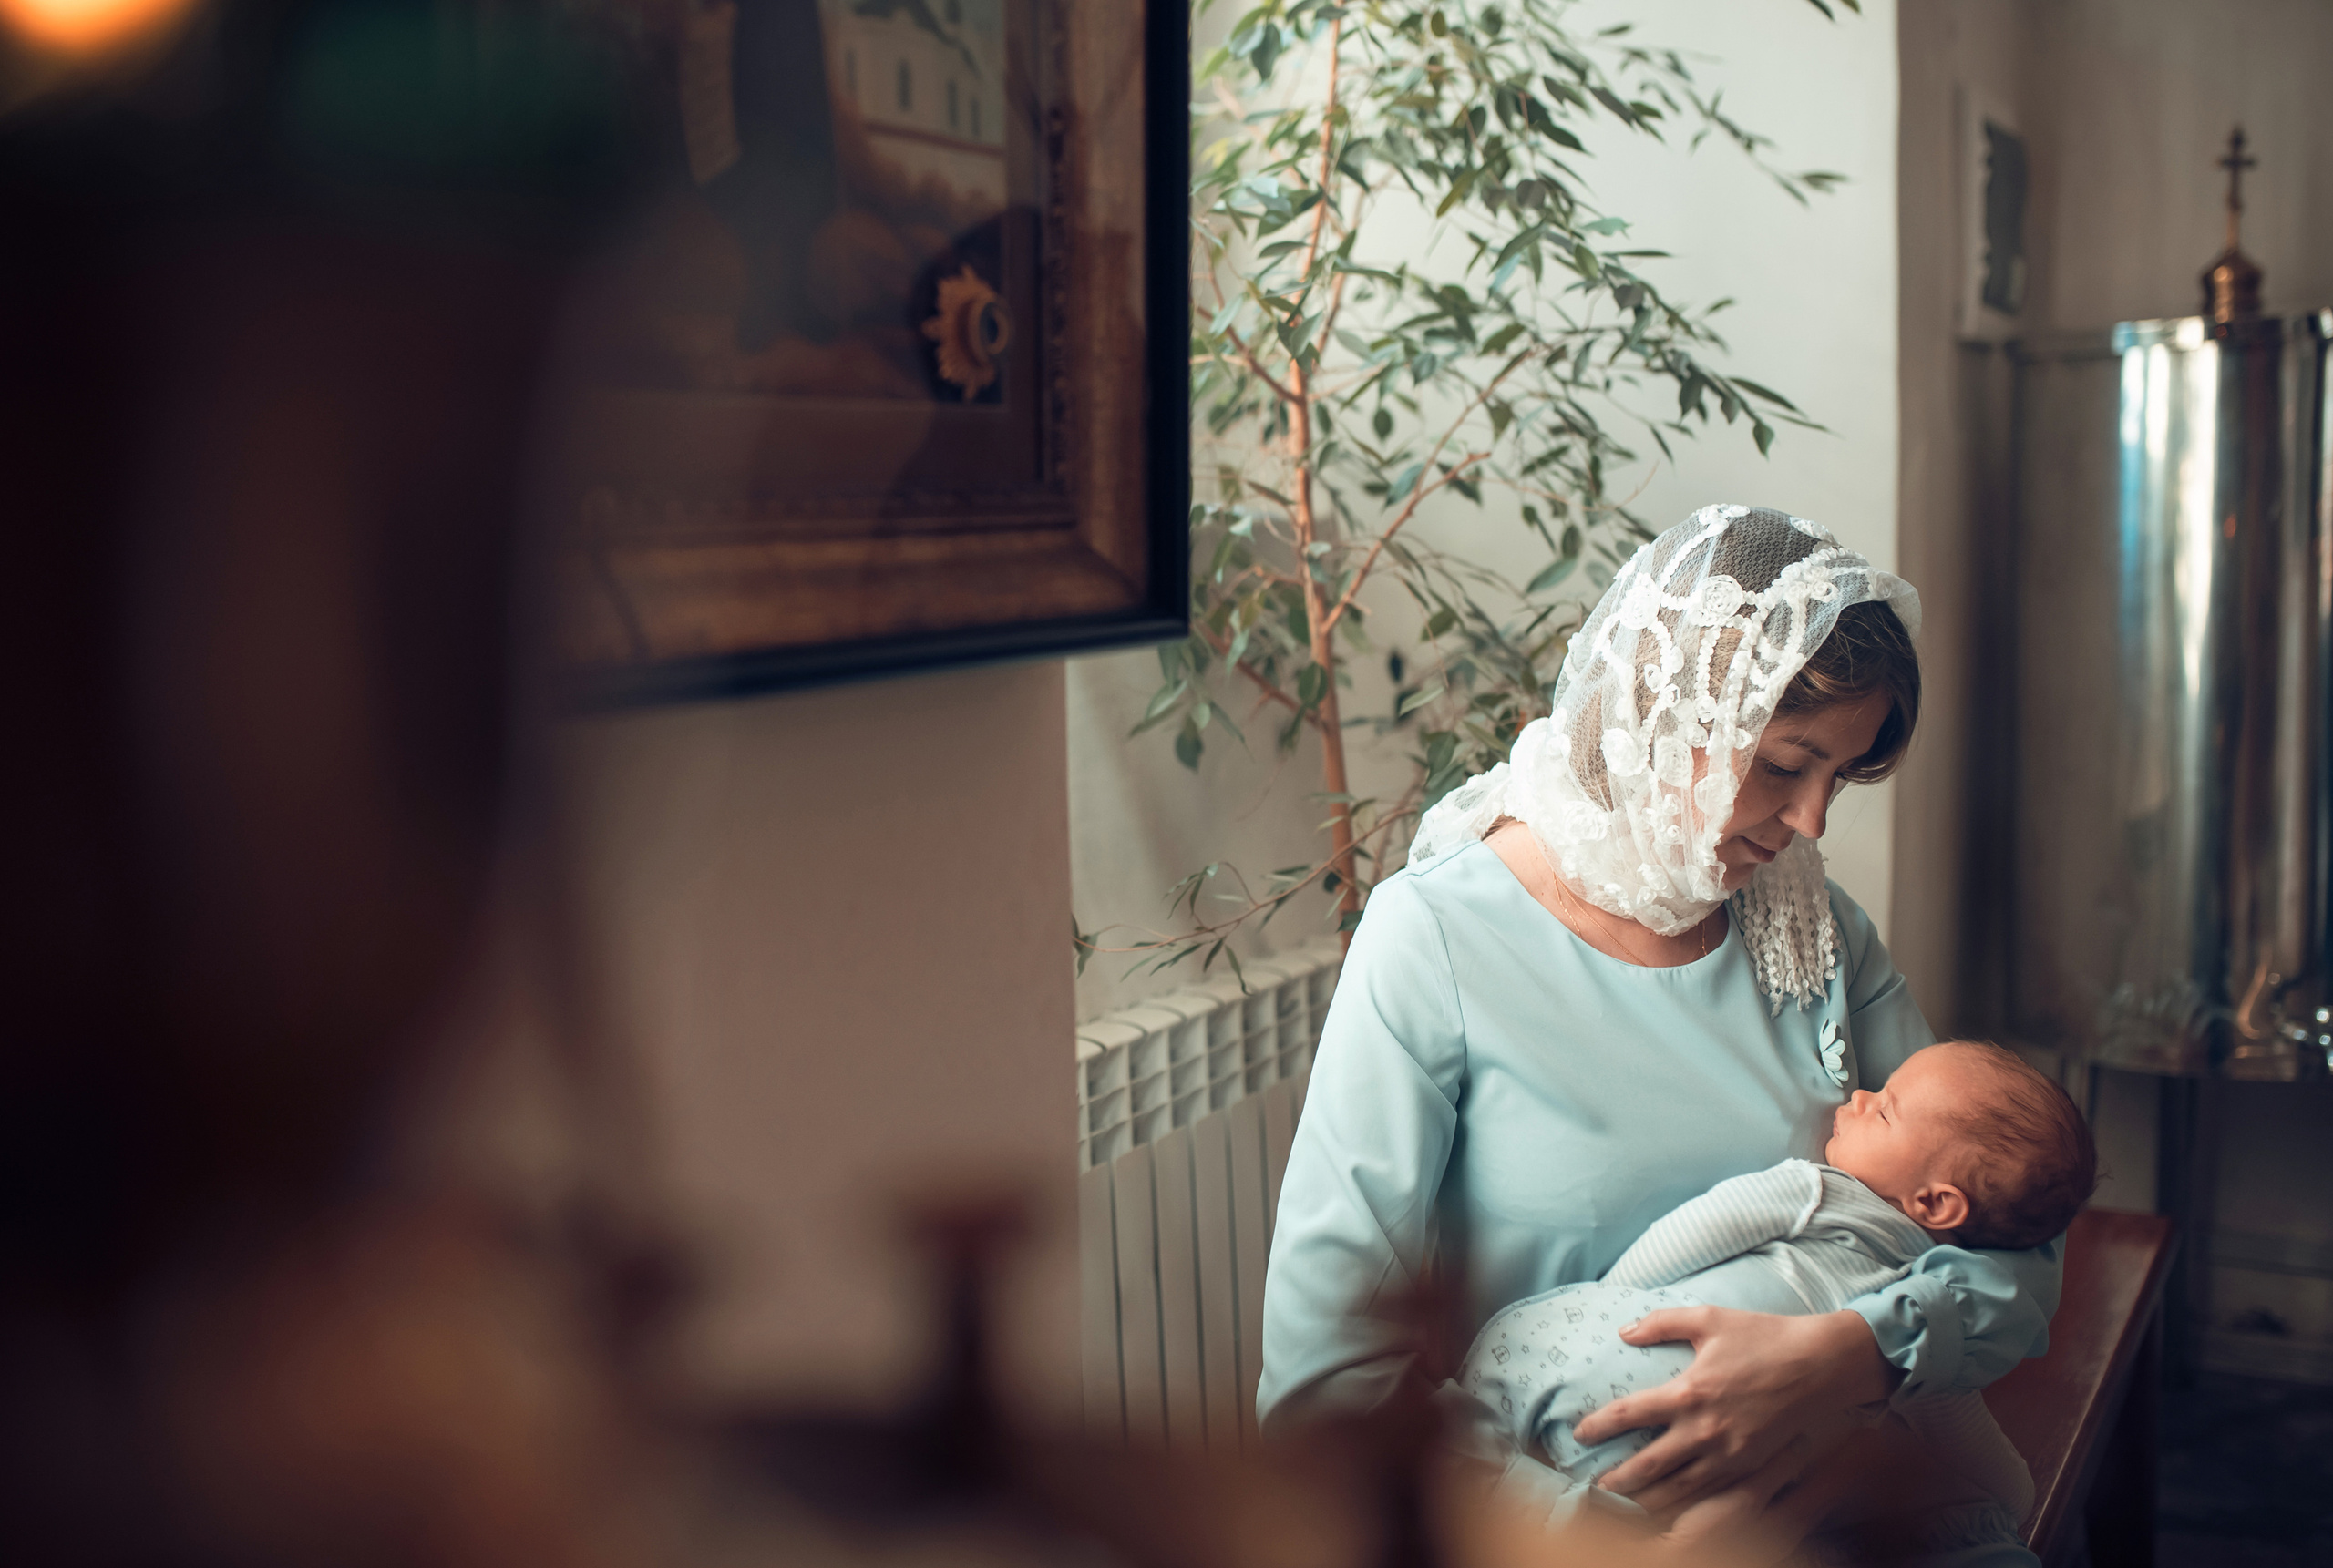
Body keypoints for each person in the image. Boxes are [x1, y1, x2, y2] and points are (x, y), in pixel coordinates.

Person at [1257, 505, 2064, 1563]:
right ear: (1666, 712)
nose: (1813, 822)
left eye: (1840, 774)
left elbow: (2015, 1241)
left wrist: (1848, 1354)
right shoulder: (1438, 939)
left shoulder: (1812, 925)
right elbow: (1326, 1390)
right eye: (1784, 763)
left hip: (1851, 1487)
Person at [1455, 1040, 2099, 1551]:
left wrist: (1610, 1307)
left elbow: (1694, 1232)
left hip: (1573, 1365)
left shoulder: (1817, 1192)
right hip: (1655, 1451)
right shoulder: (1918, 1292)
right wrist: (2014, 1496)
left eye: (1883, 1107)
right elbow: (1966, 1429)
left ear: (1934, 1201)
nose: (1858, 1093)